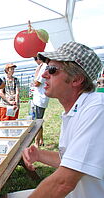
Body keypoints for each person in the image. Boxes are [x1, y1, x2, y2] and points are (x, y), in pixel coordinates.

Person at [21, 41, 104, 198]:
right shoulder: (76, 110)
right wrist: (38, 155)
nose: (44, 74)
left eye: (52, 70)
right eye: (46, 68)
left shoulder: (97, 108)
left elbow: (63, 183)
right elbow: (71, 159)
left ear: (76, 79)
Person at [32, 56, 50, 147]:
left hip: (40, 99)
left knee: (38, 122)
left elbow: (36, 83)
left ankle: (36, 142)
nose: (35, 62)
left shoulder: (44, 67)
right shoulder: (42, 66)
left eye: (35, 59)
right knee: (39, 120)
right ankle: (41, 140)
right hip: (38, 98)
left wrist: (36, 73)